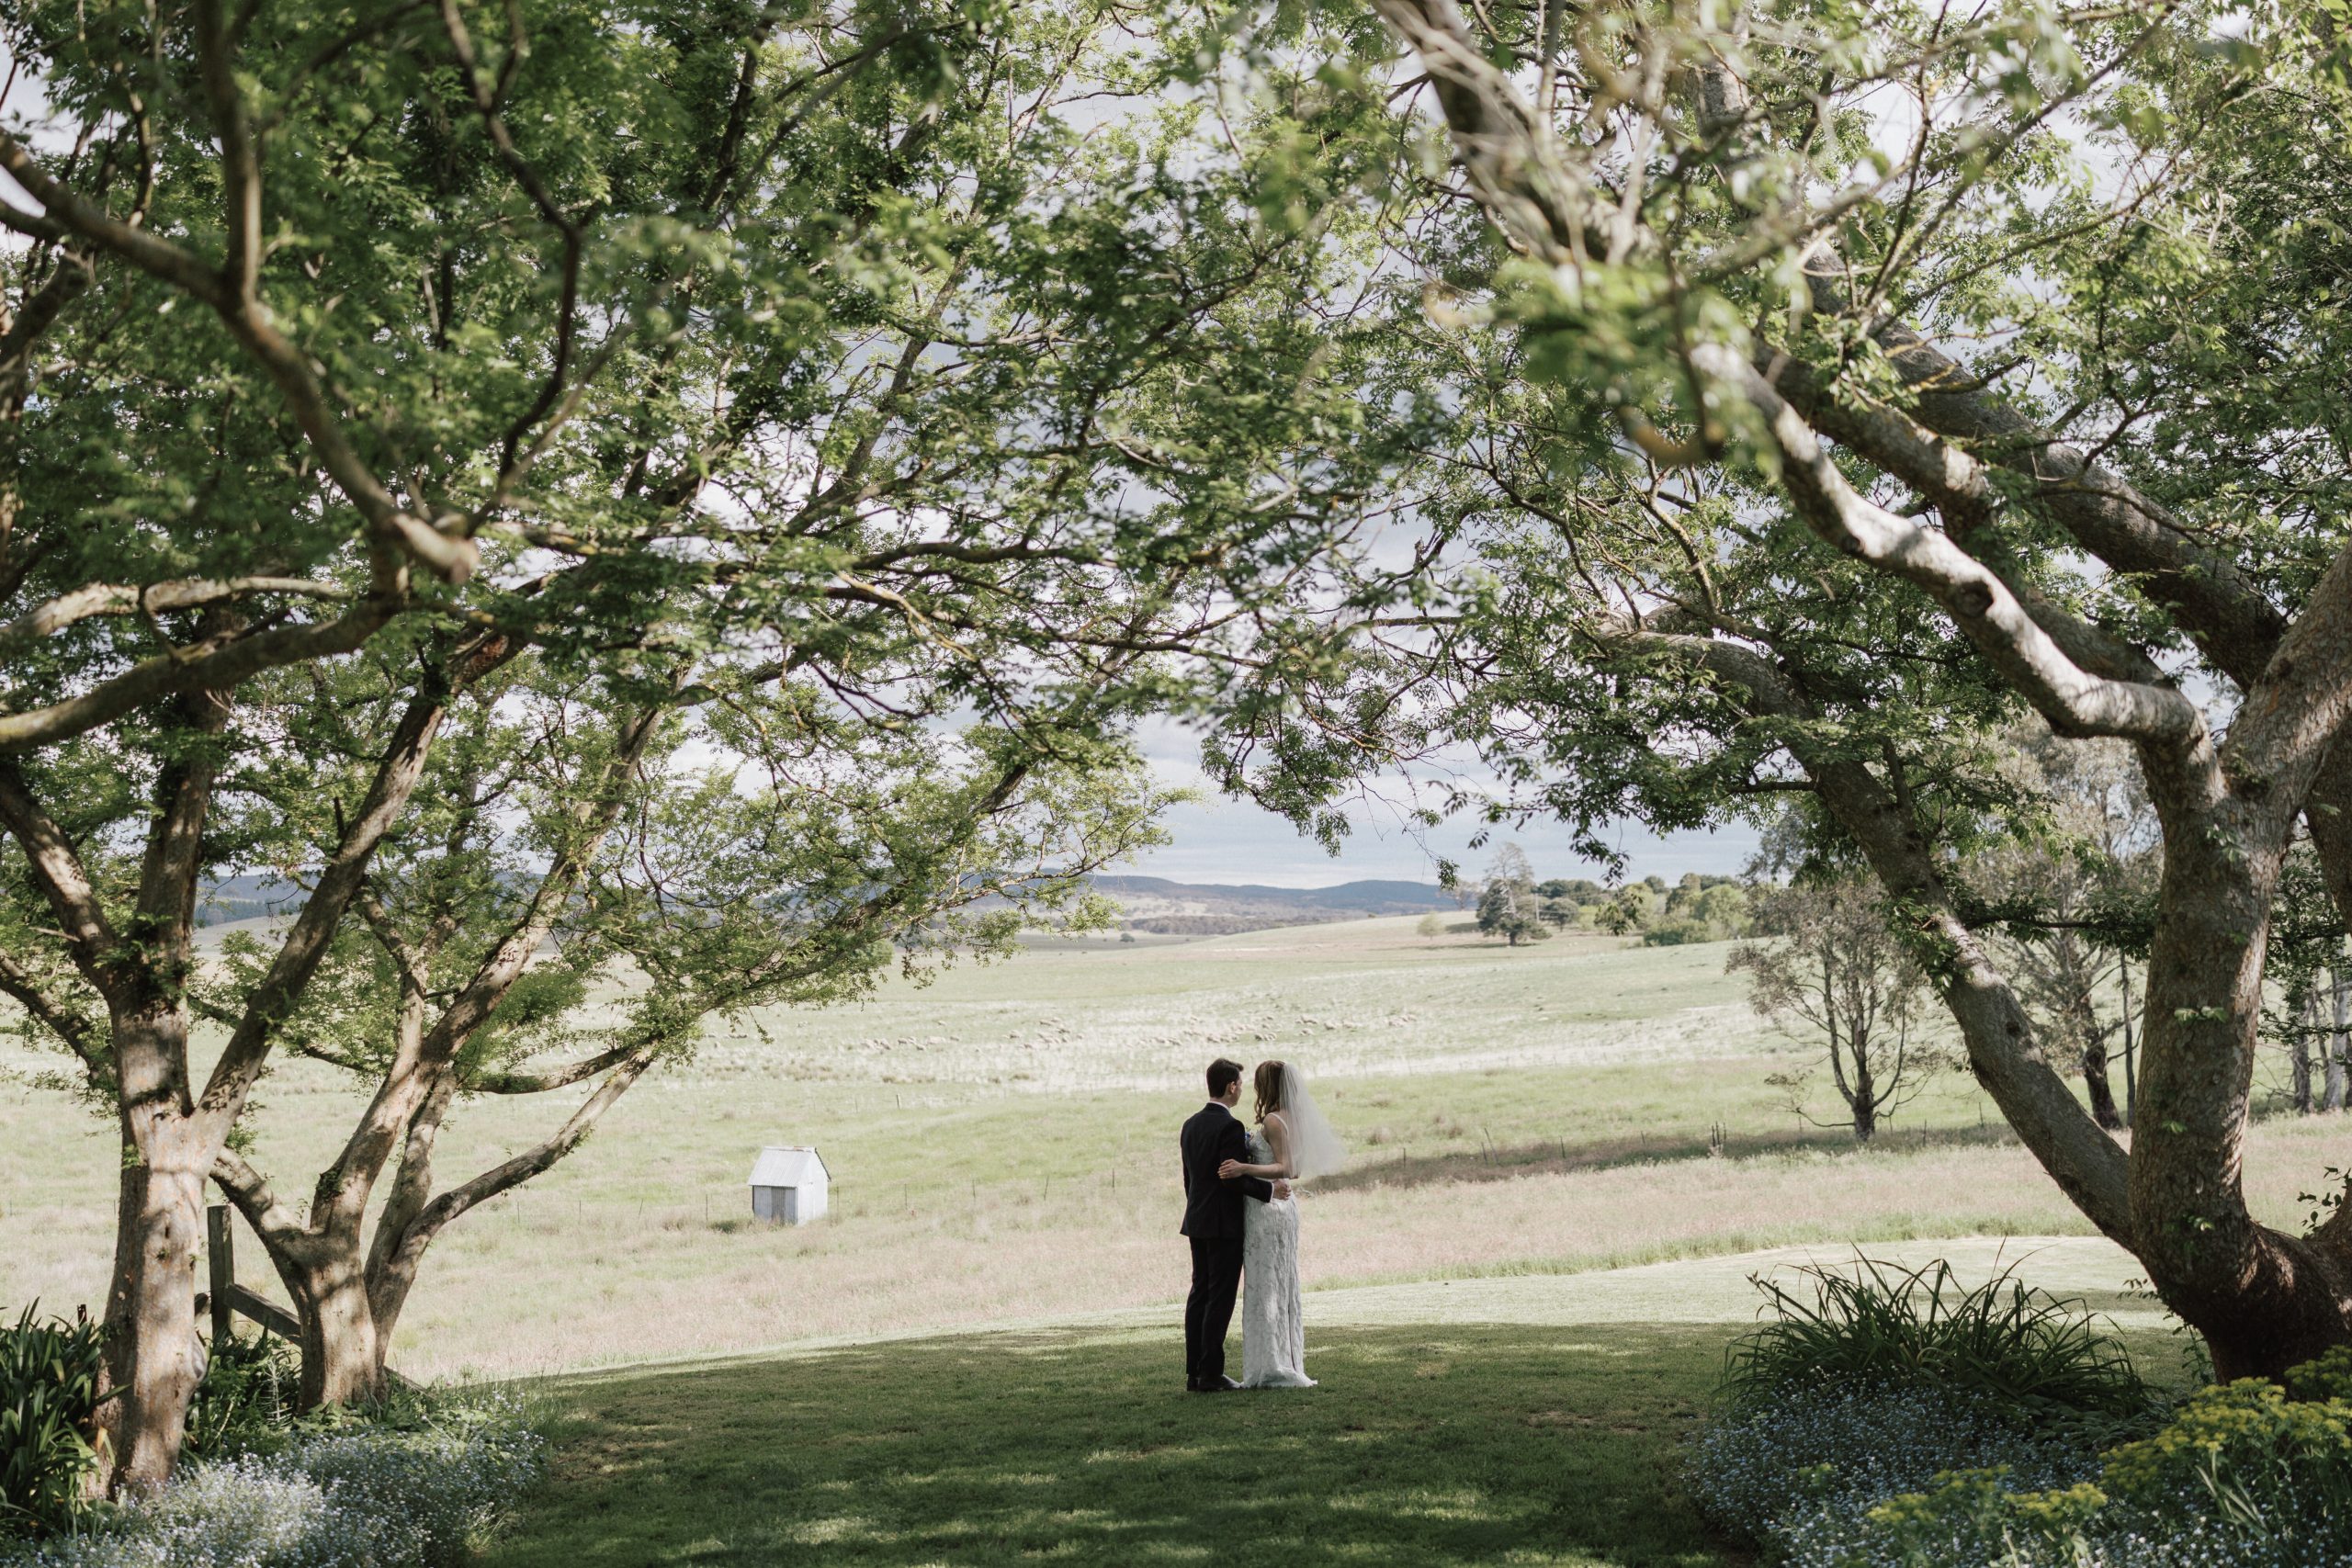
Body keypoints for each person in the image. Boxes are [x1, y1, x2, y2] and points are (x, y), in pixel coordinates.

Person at [1218, 1059, 1346, 1388]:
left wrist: (1244, 1168)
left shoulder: (1274, 1121)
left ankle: (1271, 1366)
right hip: (1283, 1207)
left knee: (1266, 1284)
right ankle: (1279, 1360)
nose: (1253, 1087)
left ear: (1268, 1085)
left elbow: (1287, 1168)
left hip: (1268, 1209)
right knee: (1278, 1281)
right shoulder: (1293, 1119)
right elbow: (1296, 1170)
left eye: (1258, 1082)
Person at [1180, 1057, 1288, 1392]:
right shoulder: (1229, 1127)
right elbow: (1232, 1178)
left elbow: (1190, 1179)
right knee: (1220, 1298)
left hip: (1196, 1219)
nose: (1242, 1089)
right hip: (1223, 1224)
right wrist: (1270, 1191)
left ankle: (1194, 1373)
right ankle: (1211, 1373)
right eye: (1240, 1084)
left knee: (1199, 1293)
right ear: (1231, 1087)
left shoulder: (1190, 1124)